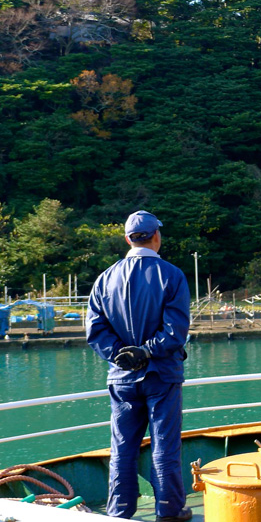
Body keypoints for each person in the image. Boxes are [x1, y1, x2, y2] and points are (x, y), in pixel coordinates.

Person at [86, 211, 192, 522]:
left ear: (127, 238)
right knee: (165, 446)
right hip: (162, 375)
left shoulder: (105, 278)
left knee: (122, 448)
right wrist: (145, 352)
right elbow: (175, 332)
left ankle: (119, 512)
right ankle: (170, 510)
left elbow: (95, 329)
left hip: (122, 379)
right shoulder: (172, 275)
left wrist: (121, 354)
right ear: (156, 236)